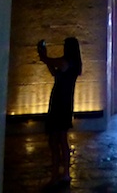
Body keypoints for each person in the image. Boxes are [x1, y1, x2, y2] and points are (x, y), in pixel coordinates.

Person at [37, 36, 83, 187]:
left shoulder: (66, 62)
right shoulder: (73, 65)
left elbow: (52, 62)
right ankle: (64, 174)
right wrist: (45, 58)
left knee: (56, 140)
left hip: (59, 103)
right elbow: (55, 72)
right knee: (61, 139)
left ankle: (57, 174)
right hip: (65, 103)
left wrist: (43, 55)